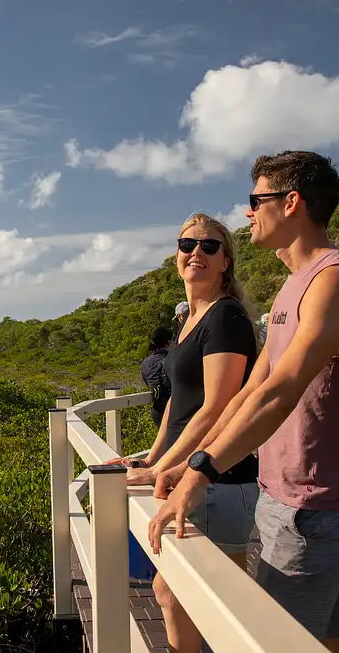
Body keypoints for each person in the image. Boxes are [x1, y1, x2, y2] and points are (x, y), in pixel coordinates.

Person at [147, 151, 339, 653]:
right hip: (287, 499)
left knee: (269, 642)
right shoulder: (292, 288)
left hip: (313, 507)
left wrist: (202, 473)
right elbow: (250, 391)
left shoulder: (333, 281)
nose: (249, 212)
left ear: (291, 202)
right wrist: (188, 461)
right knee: (338, 641)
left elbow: (282, 388)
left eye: (258, 200)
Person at [110, 213, 260, 653]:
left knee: (195, 599)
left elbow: (218, 405)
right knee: (179, 594)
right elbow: (178, 399)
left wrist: (170, 465)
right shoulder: (190, 320)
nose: (196, 252)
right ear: (176, 256)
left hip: (217, 478)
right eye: (187, 244)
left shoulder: (225, 317)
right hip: (184, 471)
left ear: (225, 262)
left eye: (209, 246)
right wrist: (152, 459)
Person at [141, 326, 174, 429]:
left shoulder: (146, 362)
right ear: (168, 342)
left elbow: (147, 381)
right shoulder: (173, 358)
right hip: (175, 410)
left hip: (158, 411)